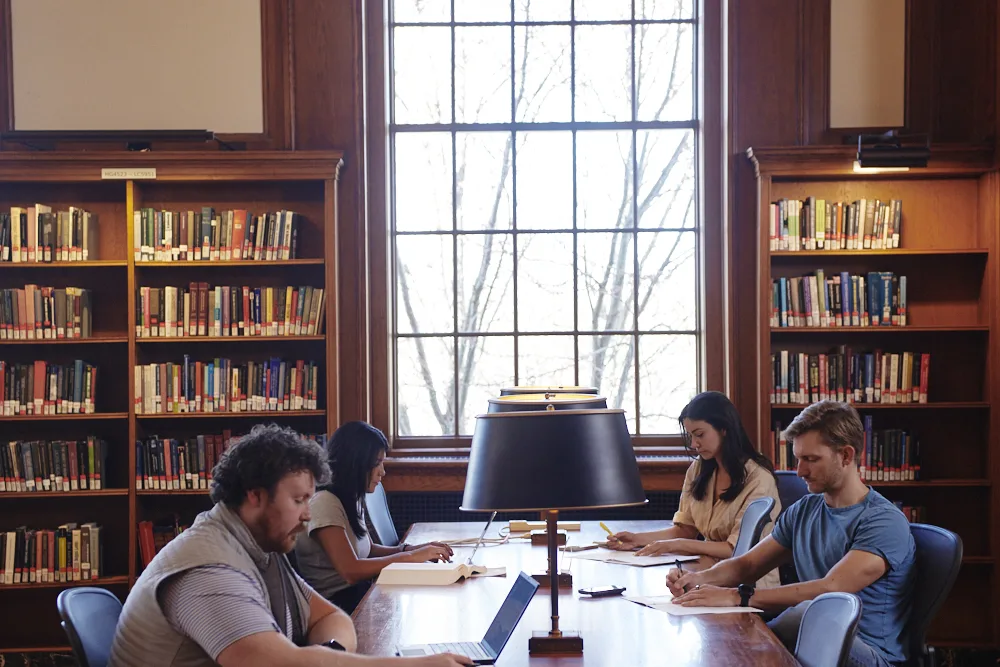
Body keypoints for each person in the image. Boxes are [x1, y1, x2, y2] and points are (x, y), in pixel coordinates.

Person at [109, 423, 471, 667]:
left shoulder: (259, 546)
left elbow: (331, 617)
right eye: (299, 501)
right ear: (255, 496)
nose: (307, 514)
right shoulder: (208, 569)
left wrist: (327, 656)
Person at [667, 400, 916, 667]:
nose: (800, 472)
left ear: (846, 455)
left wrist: (737, 596)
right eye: (798, 459)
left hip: (865, 653)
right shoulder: (805, 509)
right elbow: (748, 564)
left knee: (808, 613)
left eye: (811, 460)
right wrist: (696, 580)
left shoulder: (884, 521)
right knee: (733, 636)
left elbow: (831, 588)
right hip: (810, 638)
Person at [608, 391, 781, 588]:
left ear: (724, 429)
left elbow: (734, 549)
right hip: (707, 577)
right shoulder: (699, 469)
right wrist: (638, 540)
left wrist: (677, 545)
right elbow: (685, 530)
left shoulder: (759, 479)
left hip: (748, 586)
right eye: (690, 436)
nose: (694, 444)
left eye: (700, 435)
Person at [295, 421, 454, 613]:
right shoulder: (325, 502)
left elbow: (368, 550)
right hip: (337, 605)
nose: (383, 472)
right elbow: (351, 571)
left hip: (359, 594)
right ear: (356, 463)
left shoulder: (351, 496)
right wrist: (411, 557)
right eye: (377, 463)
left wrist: (415, 549)